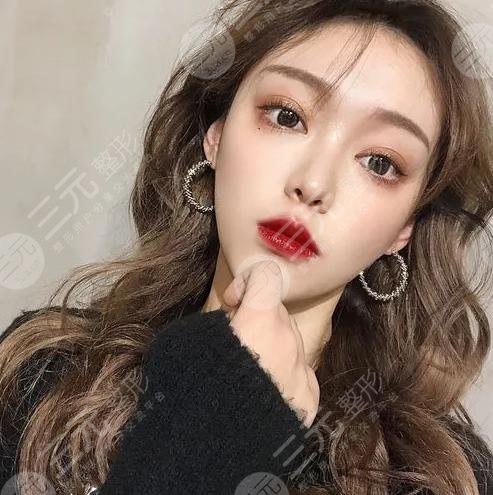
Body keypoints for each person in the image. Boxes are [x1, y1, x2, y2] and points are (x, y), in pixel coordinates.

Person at [1, 0, 493, 494]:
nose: (313, 183)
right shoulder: (44, 376)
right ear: (215, 137)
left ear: (404, 227)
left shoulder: (437, 476)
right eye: (286, 116)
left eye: (380, 163)